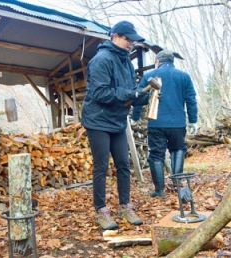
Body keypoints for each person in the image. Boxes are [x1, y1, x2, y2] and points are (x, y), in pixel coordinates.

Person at [81, 21, 149, 230]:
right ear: (115, 36)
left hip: (117, 120)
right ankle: (101, 210)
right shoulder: (101, 60)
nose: (131, 43)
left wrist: (142, 96)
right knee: (101, 166)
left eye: (132, 40)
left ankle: (125, 206)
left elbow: (128, 93)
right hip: (98, 120)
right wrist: (131, 94)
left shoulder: (127, 62)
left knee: (123, 164)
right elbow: (101, 93)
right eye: (128, 39)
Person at [131, 50, 198, 198]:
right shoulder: (184, 76)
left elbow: (139, 97)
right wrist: (193, 120)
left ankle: (160, 191)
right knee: (178, 150)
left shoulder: (149, 76)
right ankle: (177, 182)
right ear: (172, 61)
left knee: (156, 156)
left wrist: (135, 117)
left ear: (157, 62)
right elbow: (191, 99)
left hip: (156, 123)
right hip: (178, 123)